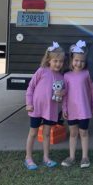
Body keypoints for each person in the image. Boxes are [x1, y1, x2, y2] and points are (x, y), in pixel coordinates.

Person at [24, 42, 66, 170]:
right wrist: (29, 103)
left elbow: (61, 94)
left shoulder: (61, 77)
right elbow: (31, 87)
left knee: (47, 134)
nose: (58, 64)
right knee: (33, 133)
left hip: (50, 110)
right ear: (49, 60)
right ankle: (28, 158)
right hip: (36, 108)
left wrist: (62, 93)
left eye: (61, 61)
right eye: (55, 61)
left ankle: (46, 158)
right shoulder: (42, 71)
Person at [61, 40, 93, 169]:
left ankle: (84, 157)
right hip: (72, 110)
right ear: (72, 60)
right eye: (76, 60)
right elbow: (65, 94)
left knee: (83, 133)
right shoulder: (66, 76)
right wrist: (64, 108)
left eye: (82, 61)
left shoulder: (87, 74)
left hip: (84, 110)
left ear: (85, 62)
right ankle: (71, 157)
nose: (79, 63)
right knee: (73, 134)